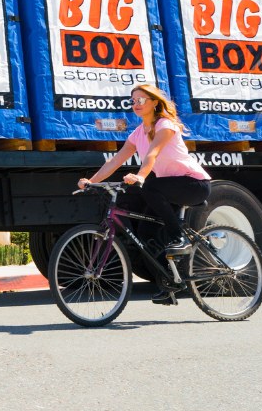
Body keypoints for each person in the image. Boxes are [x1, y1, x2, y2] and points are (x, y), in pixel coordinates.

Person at [78, 83, 211, 305]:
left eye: (141, 100)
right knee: (147, 234)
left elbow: (153, 153)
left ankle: (178, 237)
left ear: (154, 103)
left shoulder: (165, 125)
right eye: (132, 101)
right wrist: (91, 181)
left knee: (150, 186)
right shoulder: (138, 133)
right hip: (169, 189)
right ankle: (170, 282)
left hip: (193, 184)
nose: (135, 105)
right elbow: (116, 160)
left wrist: (140, 176)